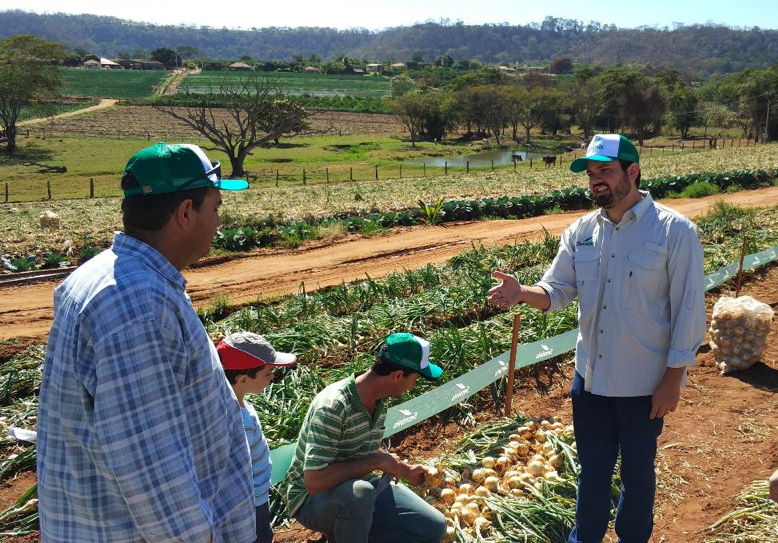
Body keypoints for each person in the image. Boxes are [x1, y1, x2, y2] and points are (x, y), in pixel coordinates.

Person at [489, 134, 706, 543]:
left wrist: (673, 379)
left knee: (638, 475)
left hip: (645, 385)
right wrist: (522, 293)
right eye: (591, 174)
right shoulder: (581, 231)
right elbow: (556, 290)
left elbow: (689, 311)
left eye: (605, 171)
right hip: (589, 381)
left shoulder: (674, 232)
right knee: (592, 470)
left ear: (633, 172)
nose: (596, 181)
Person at [37, 142, 256, 542]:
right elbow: (153, 471)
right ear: (186, 213)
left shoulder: (112, 278)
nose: (218, 222)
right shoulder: (136, 305)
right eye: (215, 208)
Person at [284, 332, 448, 543]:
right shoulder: (334, 406)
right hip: (312, 500)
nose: (413, 386)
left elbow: (364, 451)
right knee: (359, 494)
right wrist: (377, 461)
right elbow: (314, 482)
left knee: (433, 527)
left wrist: (403, 469)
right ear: (398, 375)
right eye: (415, 379)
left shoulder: (380, 400)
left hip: (359, 490)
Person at [217, 332, 298, 543]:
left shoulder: (236, 404)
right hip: (250, 505)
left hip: (256, 499)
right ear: (243, 379)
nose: (273, 377)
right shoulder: (238, 422)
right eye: (268, 372)